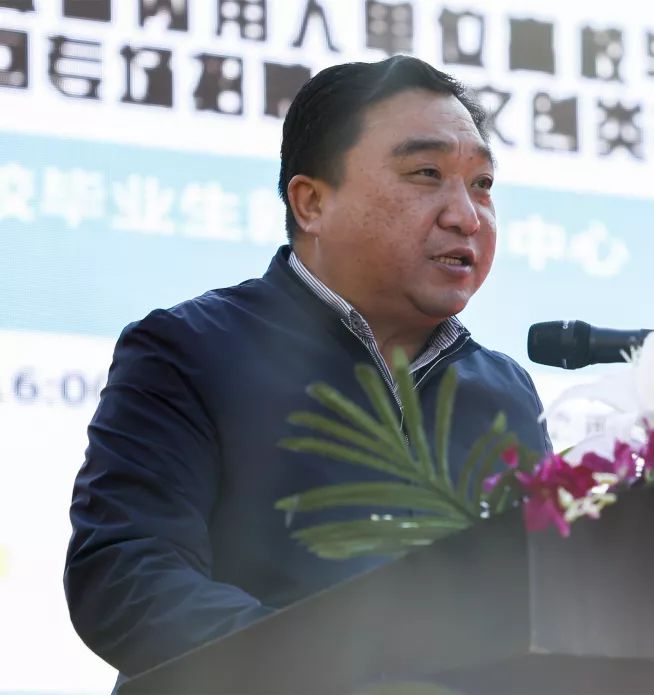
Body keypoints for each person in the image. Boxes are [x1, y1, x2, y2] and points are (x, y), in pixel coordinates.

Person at [63, 55, 551, 689]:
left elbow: (544, 606)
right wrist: (336, 672)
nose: (466, 215)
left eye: (481, 183)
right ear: (312, 202)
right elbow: (125, 575)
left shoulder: (504, 394)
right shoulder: (188, 349)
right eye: (427, 173)